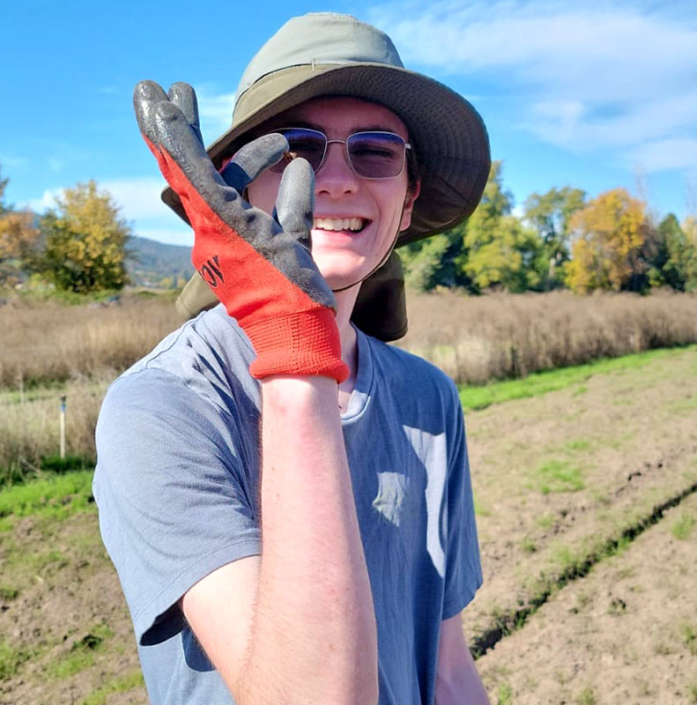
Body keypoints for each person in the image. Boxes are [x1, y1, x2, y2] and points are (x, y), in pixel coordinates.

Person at [93, 12, 491, 705]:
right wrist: (292, 350)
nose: (334, 178)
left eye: (374, 150)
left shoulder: (429, 399)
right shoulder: (162, 405)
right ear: (235, 186)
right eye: (296, 148)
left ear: (407, 201)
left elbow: (448, 666)